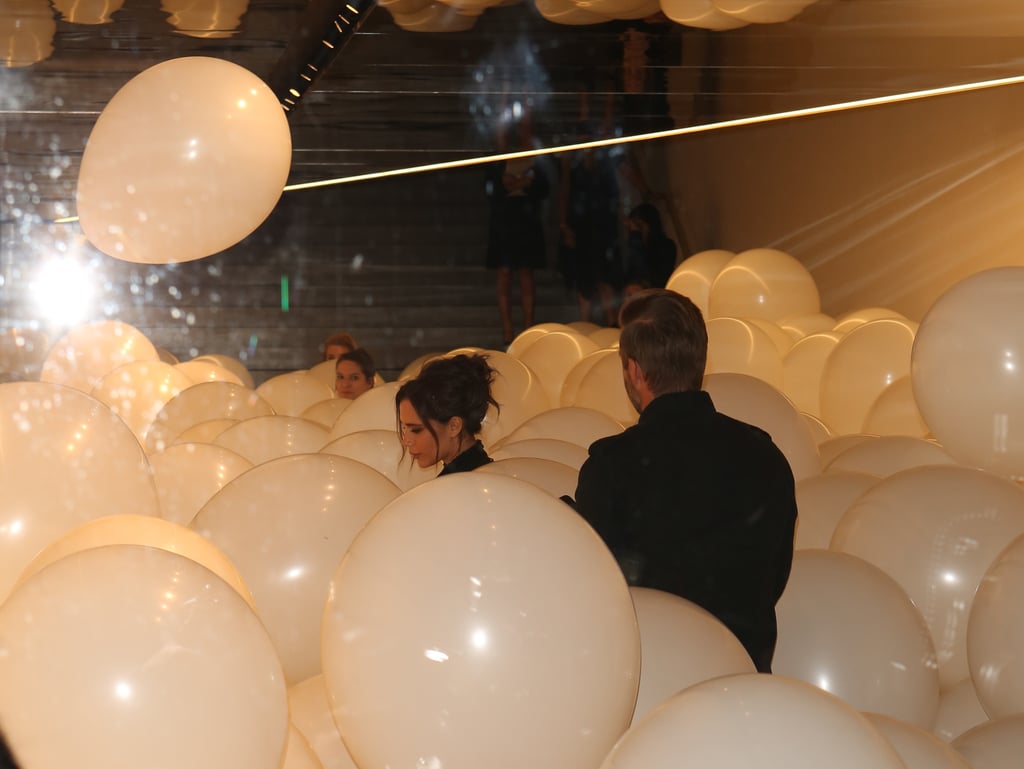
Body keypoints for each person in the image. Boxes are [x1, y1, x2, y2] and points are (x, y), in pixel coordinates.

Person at [569, 289, 797, 673]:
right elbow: (773, 577)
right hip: (745, 682)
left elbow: (599, 596)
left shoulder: (610, 467)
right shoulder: (765, 456)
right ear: (699, 361)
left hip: (652, 689)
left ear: (635, 371)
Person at [485, 109, 550, 345]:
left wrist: (521, 184)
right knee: (504, 272)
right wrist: (516, 183)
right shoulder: (497, 157)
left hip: (526, 217)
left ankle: (528, 326)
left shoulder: (536, 156)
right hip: (504, 218)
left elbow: (542, 186)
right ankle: (508, 330)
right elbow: (494, 186)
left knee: (526, 271)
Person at [395, 353, 498, 475]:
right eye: (404, 427)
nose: (406, 441)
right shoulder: (484, 473)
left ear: (454, 426)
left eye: (416, 430)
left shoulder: (464, 484)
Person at [623, 202, 677, 296]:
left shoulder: (666, 246)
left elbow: (652, 275)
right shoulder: (634, 253)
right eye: (631, 229)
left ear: (651, 225)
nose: (636, 231)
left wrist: (636, 239)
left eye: (639, 225)